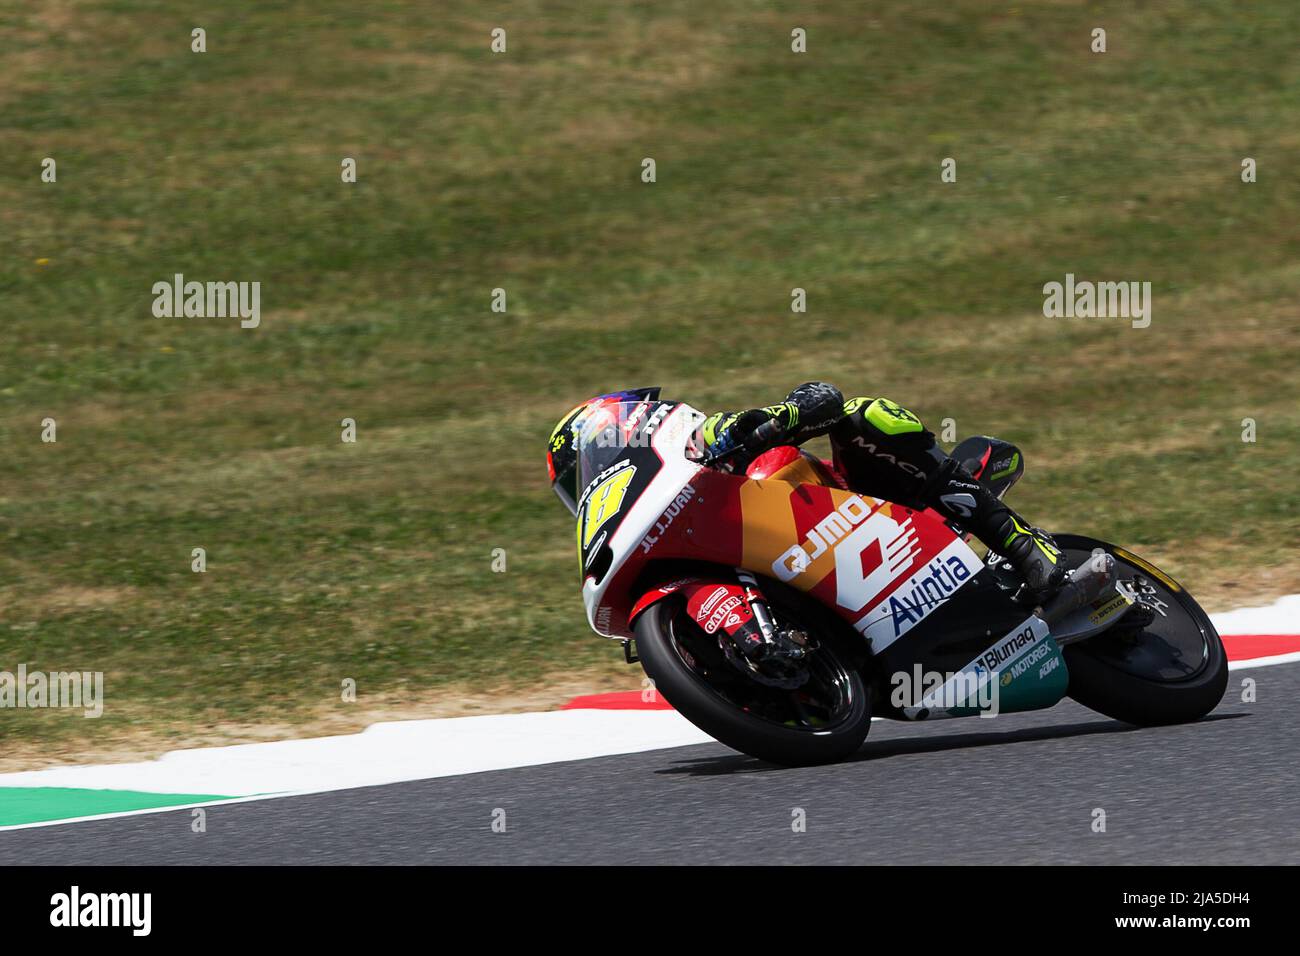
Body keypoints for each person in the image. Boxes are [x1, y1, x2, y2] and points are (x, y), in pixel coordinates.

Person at [547, 384, 1064, 595]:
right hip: (811, 575)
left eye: (589, 464)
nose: (593, 482)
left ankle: (1021, 542)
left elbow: (824, 401)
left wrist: (787, 415)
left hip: (870, 515)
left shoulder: (699, 442)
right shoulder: (655, 528)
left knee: (867, 416)